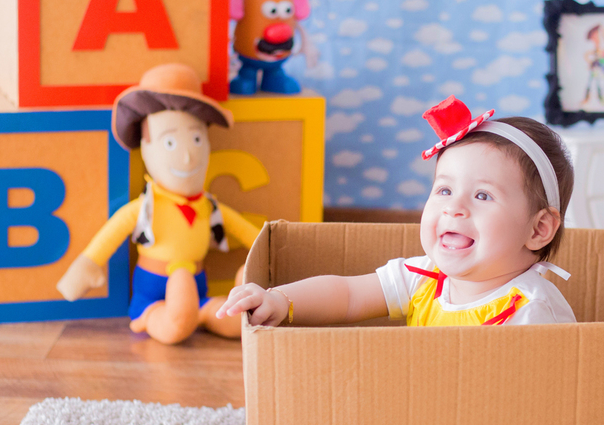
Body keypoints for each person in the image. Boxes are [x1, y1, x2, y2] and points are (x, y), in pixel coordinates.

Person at [217, 96, 576, 327]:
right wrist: (280, 300)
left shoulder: (532, 312)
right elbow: (348, 295)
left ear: (539, 229)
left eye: (483, 196)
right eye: (445, 189)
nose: (454, 207)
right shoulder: (424, 278)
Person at [56, 63, 261, 344]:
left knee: (228, 318)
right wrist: (86, 267)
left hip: (199, 292)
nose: (188, 157)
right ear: (147, 145)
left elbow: (248, 233)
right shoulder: (145, 207)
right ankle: (169, 318)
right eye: (170, 143)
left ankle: (213, 313)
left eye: (197, 139)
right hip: (152, 298)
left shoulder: (209, 206)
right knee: (173, 318)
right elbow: (110, 234)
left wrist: (269, 250)